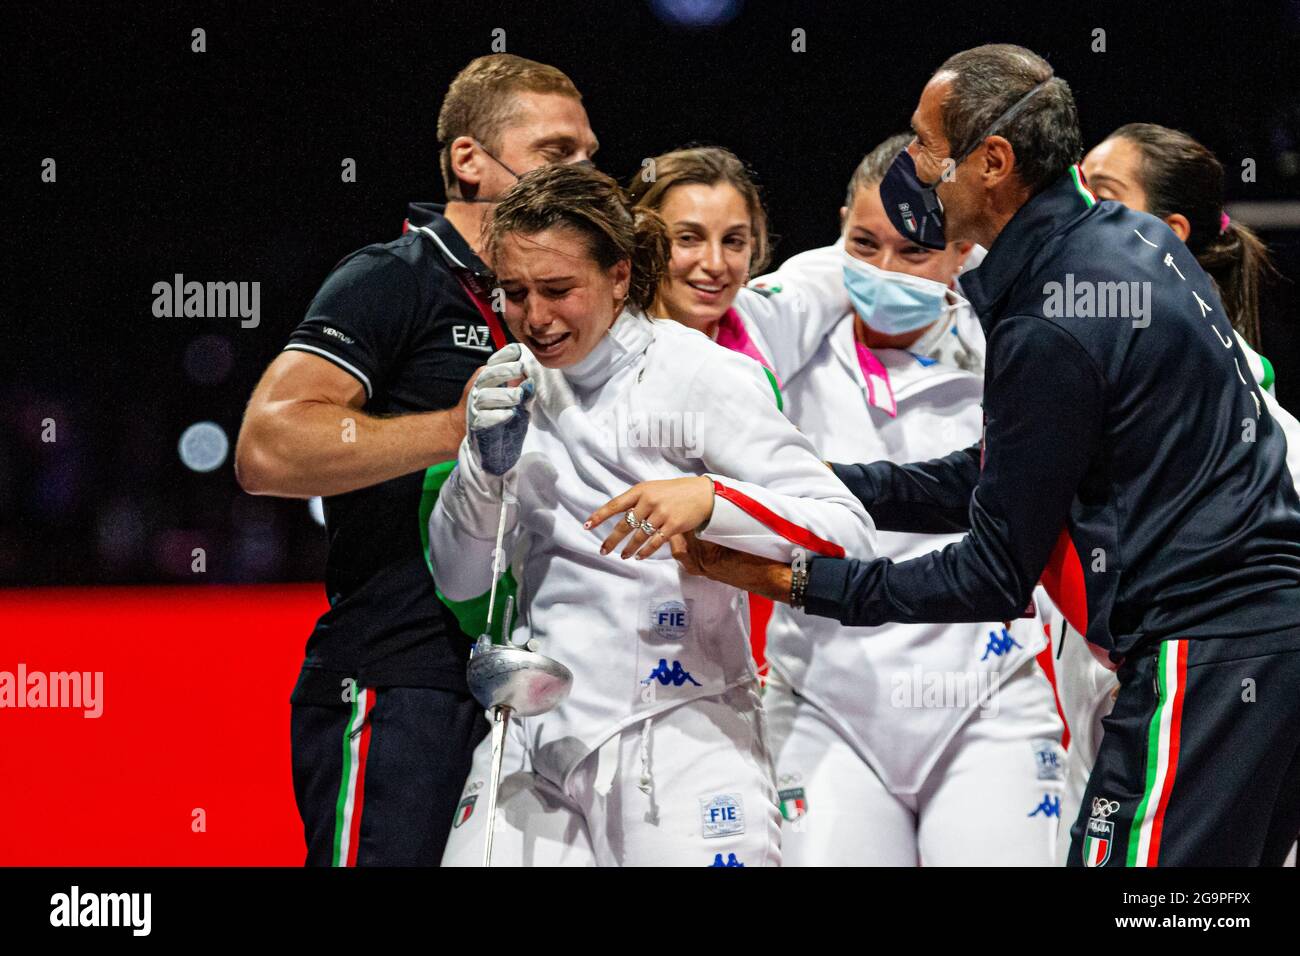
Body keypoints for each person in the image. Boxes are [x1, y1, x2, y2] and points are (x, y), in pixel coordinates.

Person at [674, 44, 1300, 867]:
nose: (913, 166)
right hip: (1259, 647)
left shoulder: (1048, 319)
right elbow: (1003, 474)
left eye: (926, 144)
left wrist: (796, 580)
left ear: (993, 162)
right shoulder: (1129, 245)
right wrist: (815, 488)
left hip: (1207, 654)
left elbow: (994, 573)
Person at [431, 162, 875, 867]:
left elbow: (846, 531)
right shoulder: (512, 383)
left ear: (619, 275)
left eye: (557, 290)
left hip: (683, 738)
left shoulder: (697, 374)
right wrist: (482, 466)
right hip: (536, 740)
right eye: (514, 293)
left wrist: (710, 502)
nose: (535, 317)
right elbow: (458, 580)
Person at [635, 140, 1064, 864]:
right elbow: (686, 315)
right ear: (840, 233)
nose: (884, 271)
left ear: (963, 251)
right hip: (825, 700)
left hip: (985, 696)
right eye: (864, 244)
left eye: (916, 249)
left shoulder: (1016, 342)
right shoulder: (783, 324)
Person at [234, 54, 598, 866]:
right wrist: (455, 428)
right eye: (555, 154)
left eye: (589, 155)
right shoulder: (395, 279)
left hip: (534, 693)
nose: (583, 173)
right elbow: (268, 446)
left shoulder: (561, 298)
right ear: (471, 161)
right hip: (402, 678)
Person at [1036, 123, 1300, 864]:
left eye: (1103, 195)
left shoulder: (1239, 409)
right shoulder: (1097, 358)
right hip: (1125, 717)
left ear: (1164, 234)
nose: (1076, 210)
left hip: (1184, 705)